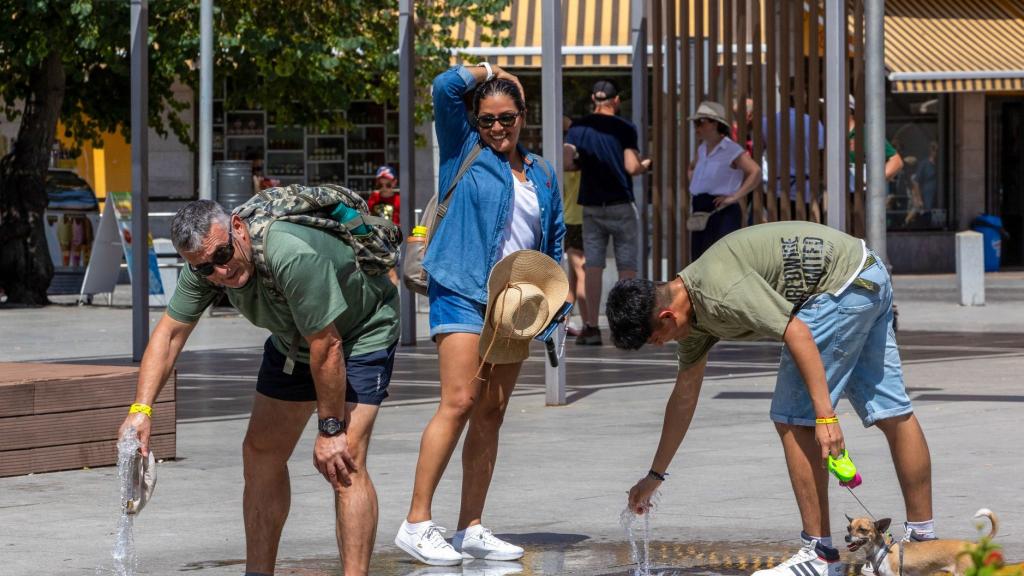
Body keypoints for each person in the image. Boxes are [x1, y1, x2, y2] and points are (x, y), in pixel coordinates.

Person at [606, 221, 936, 576]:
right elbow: (684, 397)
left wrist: (825, 417)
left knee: (793, 417)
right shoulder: (691, 316)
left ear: (667, 317)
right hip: (867, 273)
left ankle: (820, 555)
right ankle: (923, 546)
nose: (664, 345)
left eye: (658, 339)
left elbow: (797, 332)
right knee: (892, 411)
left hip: (839, 287)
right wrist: (655, 476)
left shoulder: (719, 289)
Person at [118, 199, 399, 576]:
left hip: (358, 334)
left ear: (237, 227)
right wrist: (141, 411)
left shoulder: (290, 253)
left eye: (222, 254)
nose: (219, 271)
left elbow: (328, 347)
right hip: (294, 340)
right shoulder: (206, 269)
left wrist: (330, 428)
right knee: (260, 454)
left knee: (344, 461)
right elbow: (169, 335)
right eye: (204, 266)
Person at [394, 62, 564, 566]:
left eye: (506, 117)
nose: (496, 128)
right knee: (461, 400)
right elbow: (445, 86)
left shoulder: (542, 172)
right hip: (462, 289)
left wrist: (556, 308)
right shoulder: (462, 149)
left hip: (516, 307)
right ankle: (417, 522)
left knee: (492, 410)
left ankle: (471, 526)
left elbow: (552, 240)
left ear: (522, 116)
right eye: (487, 119)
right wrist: (494, 69)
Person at [564, 79, 651, 346]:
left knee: (593, 266)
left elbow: (567, 162)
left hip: (590, 205)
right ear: (615, 101)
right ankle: (624, 326)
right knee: (627, 267)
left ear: (593, 99)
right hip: (620, 204)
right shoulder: (624, 128)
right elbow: (631, 166)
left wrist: (585, 164)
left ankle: (591, 327)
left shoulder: (579, 128)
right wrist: (646, 165)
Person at [686, 101, 761, 260]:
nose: (696, 127)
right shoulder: (702, 149)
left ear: (715, 124)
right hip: (700, 209)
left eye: (701, 122)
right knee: (699, 261)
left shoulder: (731, 149)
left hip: (721, 210)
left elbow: (755, 172)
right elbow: (692, 167)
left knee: (721, 261)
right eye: (695, 122)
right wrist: (696, 183)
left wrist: (734, 196)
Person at [562, 115, 586, 336]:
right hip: (579, 219)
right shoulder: (582, 162)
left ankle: (566, 320)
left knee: (574, 274)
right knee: (580, 270)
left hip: (571, 218)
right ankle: (588, 323)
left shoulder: (563, 162)